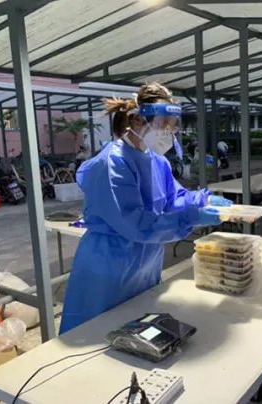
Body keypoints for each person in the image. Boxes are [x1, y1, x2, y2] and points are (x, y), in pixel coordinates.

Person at [60, 83, 232, 334]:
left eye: (173, 125)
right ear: (138, 120)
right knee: (96, 336)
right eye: (164, 124)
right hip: (110, 266)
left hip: (146, 264)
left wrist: (202, 201)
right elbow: (135, 224)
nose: (169, 132)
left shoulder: (157, 161)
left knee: (139, 328)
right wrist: (191, 217)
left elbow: (174, 199)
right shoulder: (112, 164)